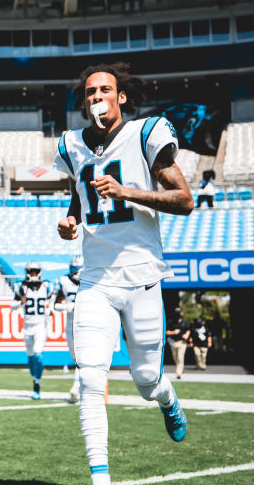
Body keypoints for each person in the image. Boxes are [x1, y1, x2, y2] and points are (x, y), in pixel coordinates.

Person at [54, 61, 194, 485]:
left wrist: (127, 191)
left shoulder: (146, 133)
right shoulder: (71, 145)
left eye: (104, 90)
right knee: (91, 378)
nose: (96, 97)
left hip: (142, 277)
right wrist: (70, 221)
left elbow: (185, 200)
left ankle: (167, 398)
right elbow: (80, 199)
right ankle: (101, 480)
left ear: (121, 97)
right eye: (90, 92)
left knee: (147, 380)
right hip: (95, 278)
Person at [12, 261, 54, 399]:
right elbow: (12, 305)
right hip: (27, 327)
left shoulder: (47, 286)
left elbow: (51, 302)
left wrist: (50, 309)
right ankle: (34, 378)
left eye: (35, 271)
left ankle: (37, 384)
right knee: (30, 357)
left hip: (40, 326)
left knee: (38, 354)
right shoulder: (21, 287)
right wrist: (20, 302)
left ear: (40, 271)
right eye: (31, 271)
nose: (33, 274)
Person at [53, 255, 84, 403]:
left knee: (83, 357)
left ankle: (77, 387)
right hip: (71, 323)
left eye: (78, 269)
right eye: (73, 269)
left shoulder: (92, 281)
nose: (75, 273)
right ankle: (79, 388)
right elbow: (55, 305)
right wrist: (67, 306)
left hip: (88, 322)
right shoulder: (64, 282)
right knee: (76, 357)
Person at [166, 307, 190, 379]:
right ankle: (178, 368)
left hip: (182, 342)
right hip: (173, 342)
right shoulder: (170, 322)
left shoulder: (184, 322)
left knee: (180, 358)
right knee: (175, 358)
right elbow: (166, 332)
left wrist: (186, 335)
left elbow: (188, 330)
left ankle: (178, 373)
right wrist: (173, 332)